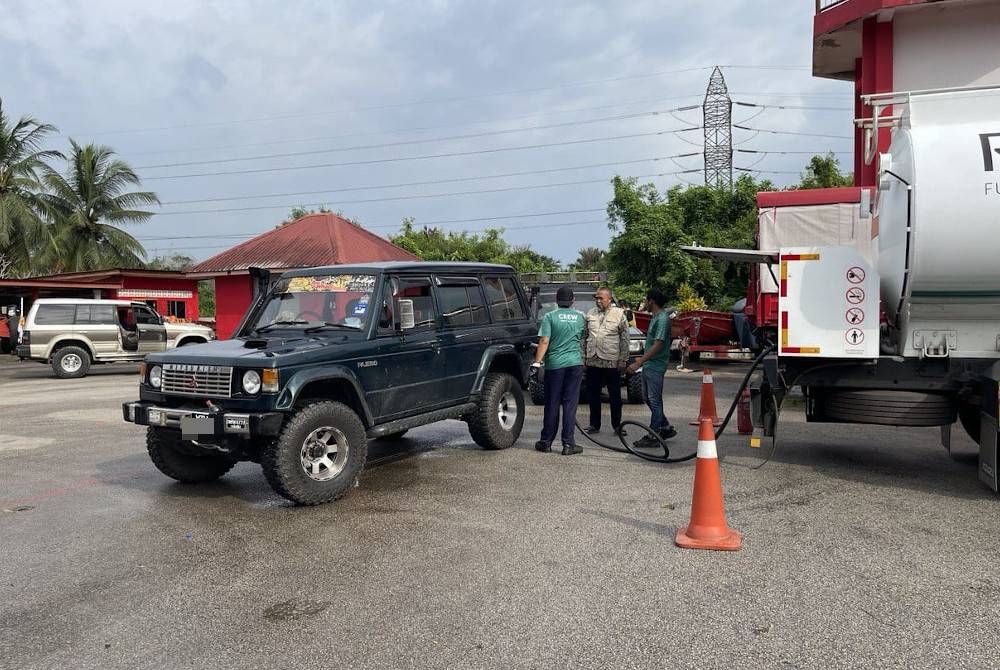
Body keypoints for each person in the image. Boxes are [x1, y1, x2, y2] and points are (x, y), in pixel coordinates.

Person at [532, 285, 586, 455]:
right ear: (573, 301)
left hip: (555, 365)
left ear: (557, 300)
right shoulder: (580, 317)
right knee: (570, 405)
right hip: (575, 364)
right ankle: (568, 444)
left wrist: (537, 362)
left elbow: (544, 341)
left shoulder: (550, 316)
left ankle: (546, 442)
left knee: (552, 403)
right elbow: (583, 338)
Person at [626, 289, 677, 447]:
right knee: (647, 398)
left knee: (654, 400)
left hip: (656, 364)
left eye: (646, 300)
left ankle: (654, 435)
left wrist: (639, 361)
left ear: (652, 301)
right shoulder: (656, 317)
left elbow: (659, 343)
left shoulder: (662, 319)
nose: (644, 303)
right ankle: (665, 427)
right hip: (650, 364)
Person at [582, 287, 629, 436]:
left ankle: (617, 426)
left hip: (611, 361)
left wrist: (623, 359)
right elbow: (584, 336)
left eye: (601, 298)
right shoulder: (590, 314)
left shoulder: (619, 314)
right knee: (593, 394)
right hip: (593, 360)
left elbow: (625, 338)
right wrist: (583, 357)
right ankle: (594, 424)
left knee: (614, 395)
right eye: (596, 298)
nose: (598, 301)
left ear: (609, 299)